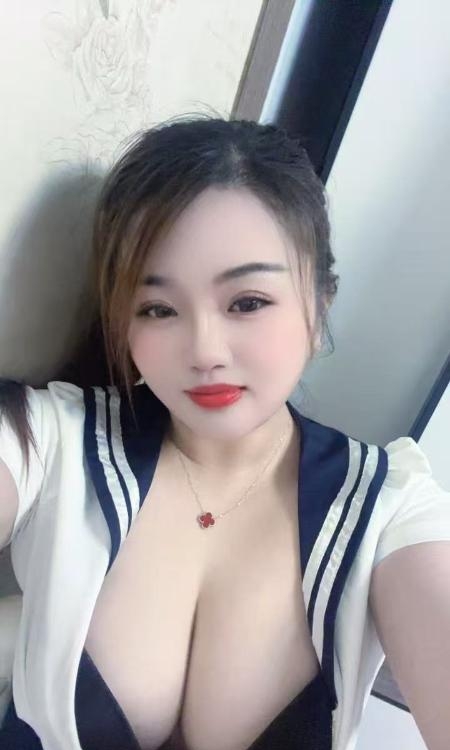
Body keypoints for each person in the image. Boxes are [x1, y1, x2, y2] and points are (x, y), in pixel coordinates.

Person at [0, 114, 449, 750]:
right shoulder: (53, 441)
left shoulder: (388, 511)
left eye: (247, 302)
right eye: (158, 308)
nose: (205, 351)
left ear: (319, 303)